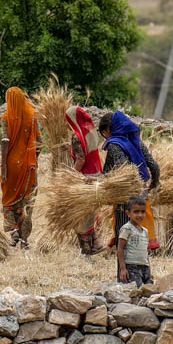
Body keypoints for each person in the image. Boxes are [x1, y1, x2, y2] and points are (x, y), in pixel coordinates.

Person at [97, 110, 160, 260]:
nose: (105, 137)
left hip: (124, 196)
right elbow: (154, 165)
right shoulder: (135, 140)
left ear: (108, 130)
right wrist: (154, 184)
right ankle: (143, 254)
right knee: (140, 225)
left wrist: (96, 183)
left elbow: (115, 172)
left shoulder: (114, 145)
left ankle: (125, 258)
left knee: (123, 228)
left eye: (103, 133)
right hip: (141, 193)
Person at [0, 86, 39, 248]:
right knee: (27, 202)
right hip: (29, 166)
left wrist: (3, 165)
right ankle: (24, 240)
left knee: (9, 200)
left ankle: (14, 230)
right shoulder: (32, 116)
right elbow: (39, 143)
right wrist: (33, 160)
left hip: (11, 165)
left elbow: (5, 141)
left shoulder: (6, 118)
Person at [65, 104, 104, 254]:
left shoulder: (77, 136)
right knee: (91, 211)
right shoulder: (91, 131)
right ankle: (97, 243)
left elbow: (80, 159)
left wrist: (70, 174)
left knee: (80, 213)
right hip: (96, 175)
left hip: (85, 178)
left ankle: (87, 248)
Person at [116, 196, 153, 286]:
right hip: (131, 267)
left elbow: (145, 252)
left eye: (143, 212)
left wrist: (149, 270)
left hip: (144, 267)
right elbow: (120, 249)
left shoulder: (145, 231)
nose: (140, 215)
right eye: (136, 212)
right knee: (136, 291)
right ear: (128, 213)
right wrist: (123, 269)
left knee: (148, 290)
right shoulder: (127, 228)